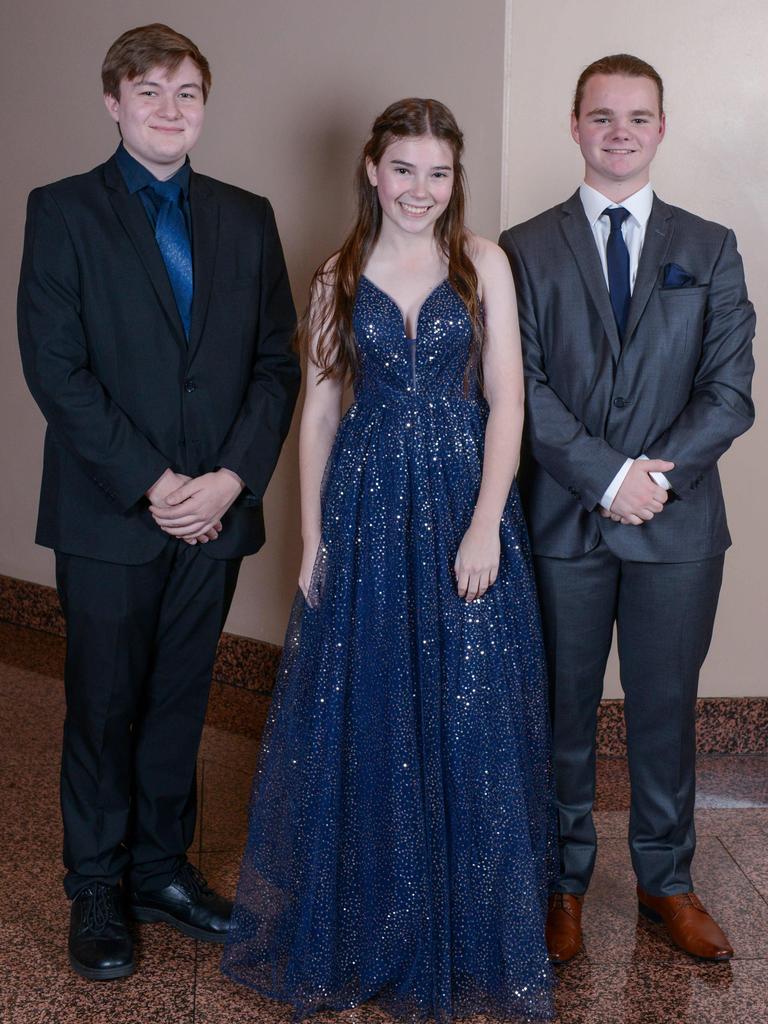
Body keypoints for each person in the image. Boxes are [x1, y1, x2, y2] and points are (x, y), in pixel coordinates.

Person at [222, 98, 556, 1021]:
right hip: (366, 509)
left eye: (437, 172)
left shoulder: (483, 263)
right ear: (372, 170)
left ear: (456, 178)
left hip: (459, 500)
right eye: (403, 169)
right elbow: (320, 412)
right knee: (370, 708)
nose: (420, 189)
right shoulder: (337, 273)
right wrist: (311, 536)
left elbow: (509, 406)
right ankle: (375, 925)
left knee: (467, 707)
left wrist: (488, 521)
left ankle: (468, 927)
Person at [17, 23, 300, 981]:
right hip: (112, 513)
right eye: (149, 93)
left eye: (186, 93)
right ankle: (95, 885)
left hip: (218, 512)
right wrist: (154, 483)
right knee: (102, 703)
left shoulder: (245, 215)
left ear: (204, 106)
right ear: (113, 103)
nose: (169, 110)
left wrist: (230, 478)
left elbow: (274, 364)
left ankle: (160, 871)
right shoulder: (60, 212)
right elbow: (55, 369)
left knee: (181, 699)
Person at [499, 54, 755, 965]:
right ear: (574, 126)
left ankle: (666, 884)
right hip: (564, 523)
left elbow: (731, 392)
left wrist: (658, 477)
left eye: (637, 117)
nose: (619, 132)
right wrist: (608, 479)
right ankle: (560, 883)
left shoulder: (711, 245)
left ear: (660, 128)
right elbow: (518, 386)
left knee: (663, 710)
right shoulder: (520, 248)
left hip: (678, 529)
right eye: (602, 117)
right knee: (559, 710)